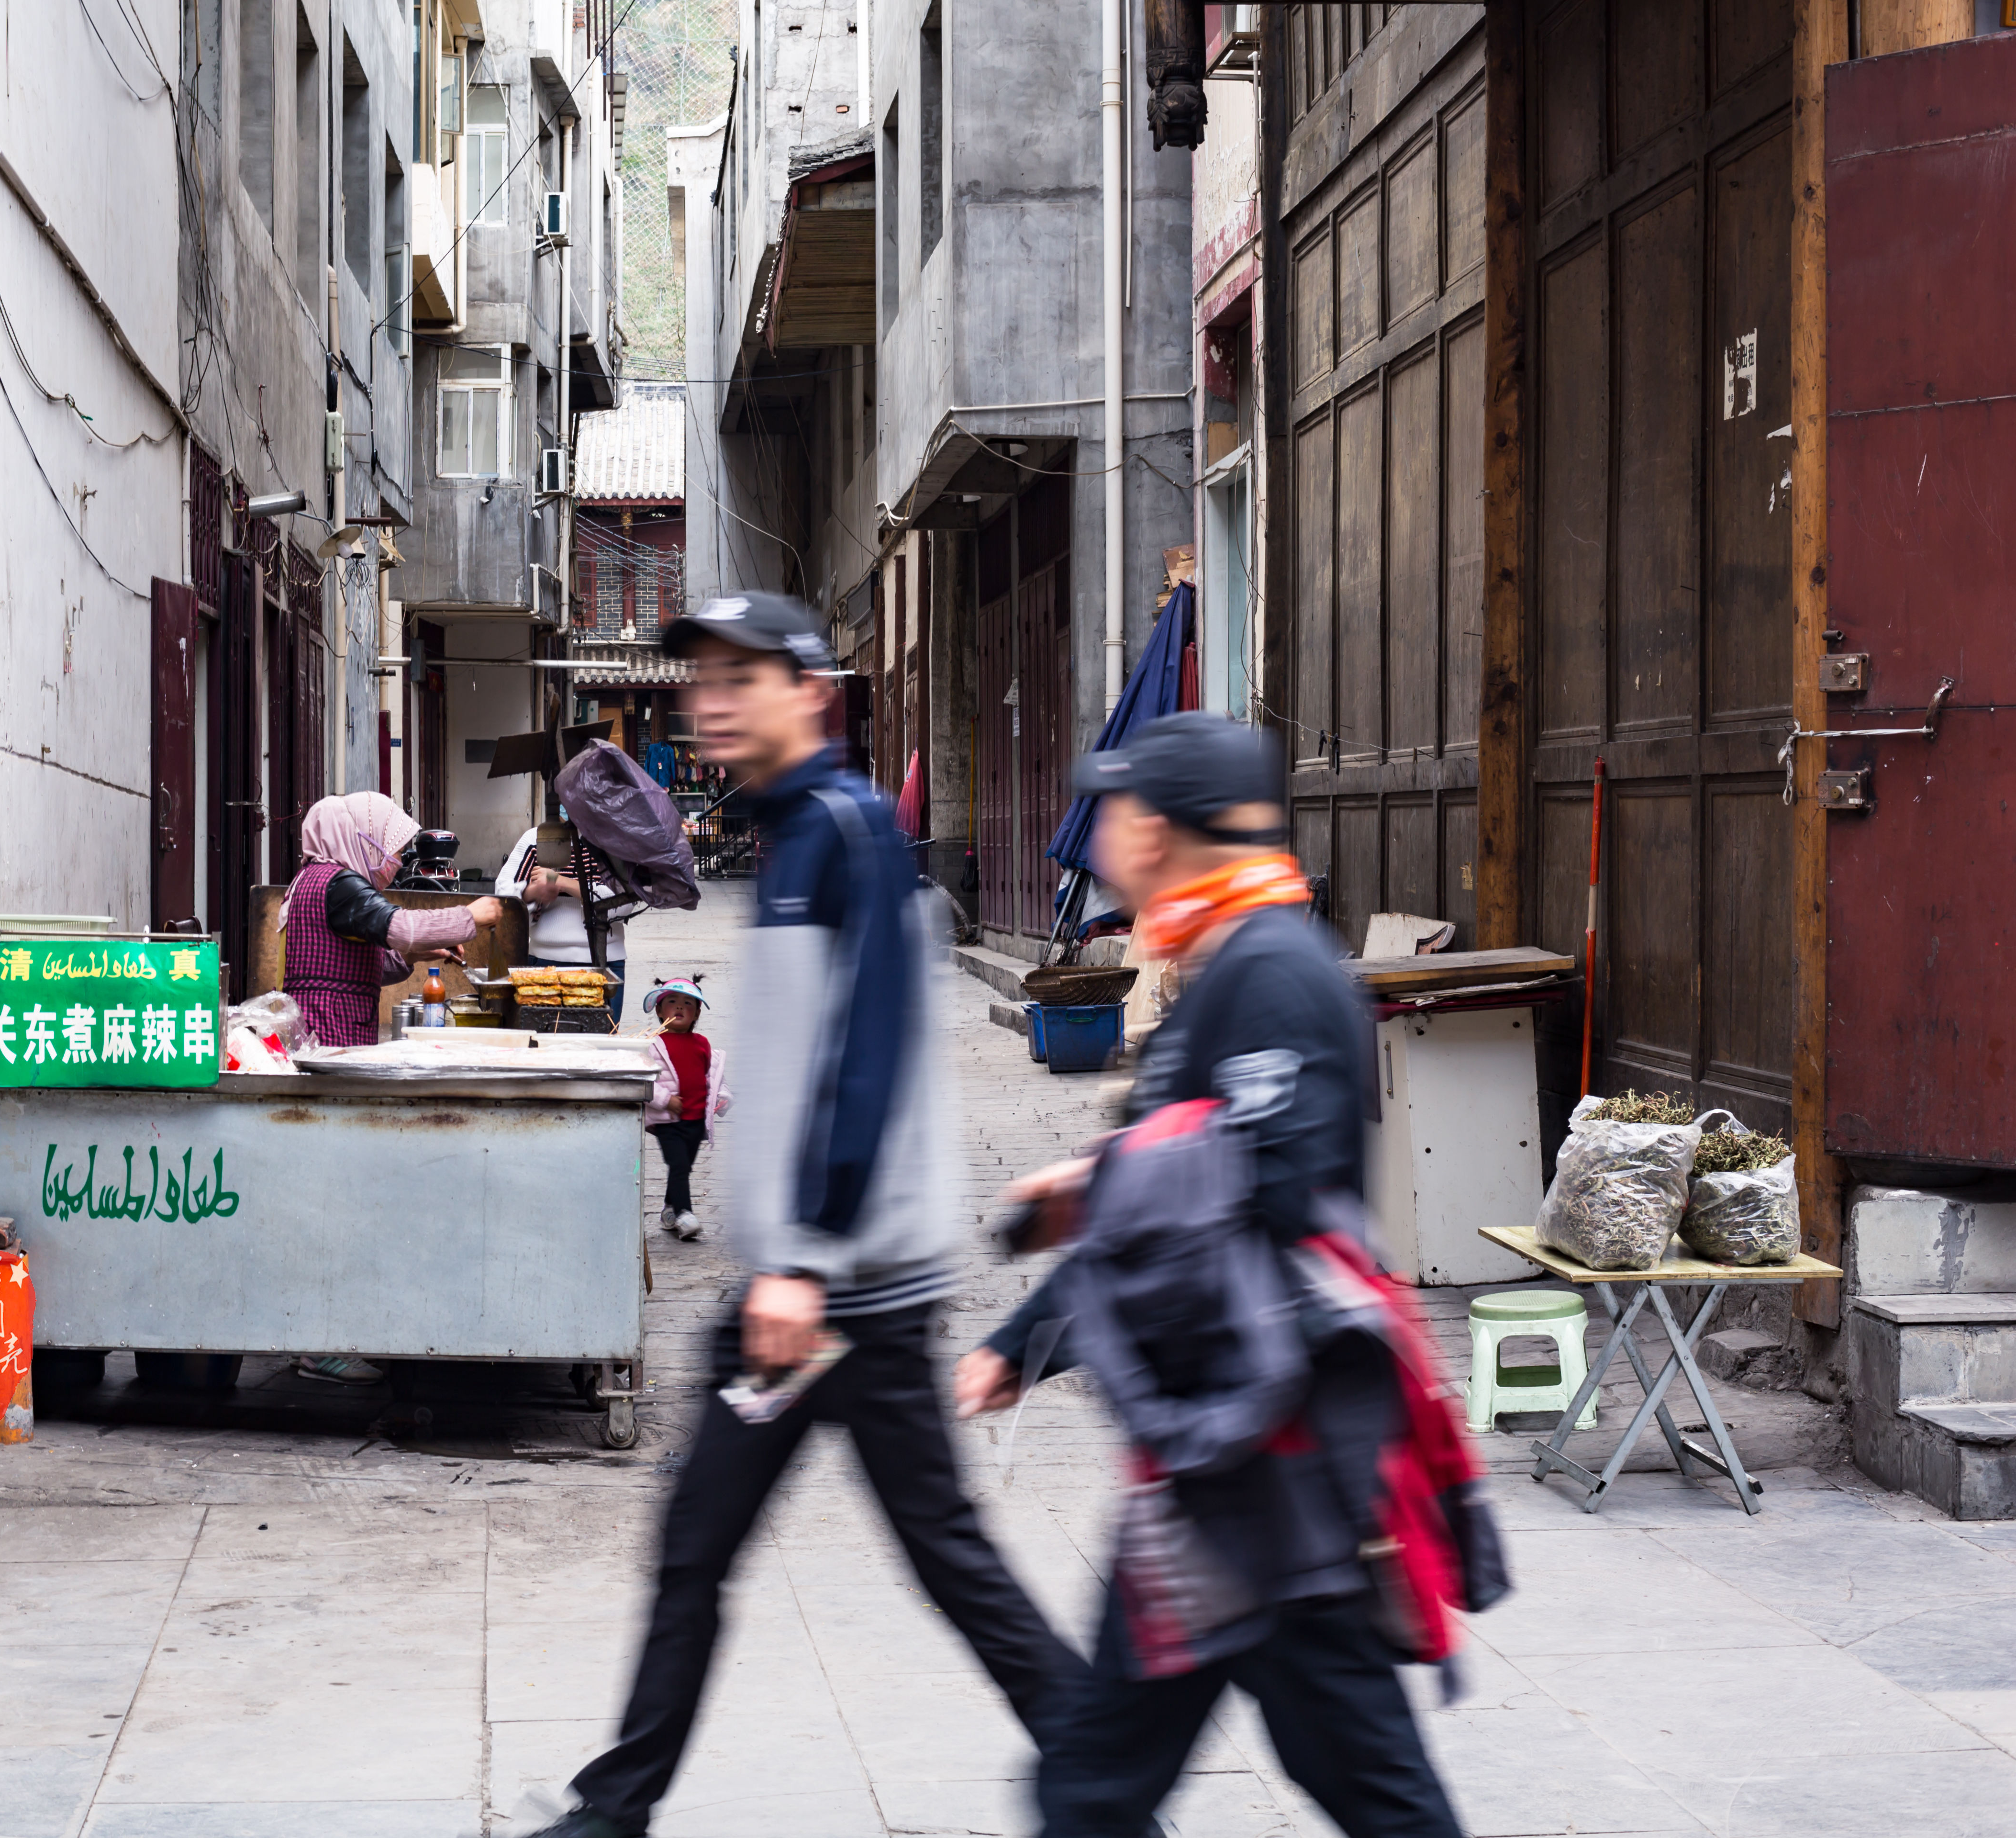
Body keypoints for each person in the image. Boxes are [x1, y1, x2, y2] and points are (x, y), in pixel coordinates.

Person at [526, 593, 1085, 1838]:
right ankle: (613, 1810)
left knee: (921, 1563)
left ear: (810, 692)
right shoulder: (797, 834)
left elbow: (873, 1052)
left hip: (835, 1302)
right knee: (730, 1556)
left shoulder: (846, 833)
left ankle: (1106, 1780)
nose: (712, 701)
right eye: (701, 680)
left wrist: (808, 1265)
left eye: (742, 677)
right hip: (815, 1294)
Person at [953, 711, 1470, 1838]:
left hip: (1262, 1448)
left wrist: (1100, 1181)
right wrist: (1024, 1338)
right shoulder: (1224, 958)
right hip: (1234, 1446)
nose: (1094, 838)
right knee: (1203, 1770)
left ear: (1165, 827)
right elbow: (1182, 1190)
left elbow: (1266, 1193)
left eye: (1115, 811)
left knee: (1109, 1779)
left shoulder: (1272, 973)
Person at [280, 791, 501, 1386]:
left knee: (334, 1191)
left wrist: (421, 952)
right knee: (334, 1194)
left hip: (324, 1038)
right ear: (360, 837)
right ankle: (318, 1343)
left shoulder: (313, 883)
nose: (393, 863)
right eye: (392, 850)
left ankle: (331, 1330)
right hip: (327, 1045)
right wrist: (471, 916)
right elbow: (397, 926)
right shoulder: (340, 883)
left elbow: (370, 960)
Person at [496, 818, 631, 1021]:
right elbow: (503, 897)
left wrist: (561, 882)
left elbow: (623, 904)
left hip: (606, 966)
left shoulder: (614, 841)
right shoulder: (537, 839)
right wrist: (534, 892)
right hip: (545, 964)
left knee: (601, 1048)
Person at [639, 977, 728, 1241]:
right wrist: (666, 1100)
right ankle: (684, 1213)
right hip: (669, 1121)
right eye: (672, 1003)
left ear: (697, 1013)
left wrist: (722, 1097)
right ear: (659, 1010)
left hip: (696, 1119)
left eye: (688, 1004)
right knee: (678, 1164)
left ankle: (669, 1208)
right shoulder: (653, 1045)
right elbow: (645, 1079)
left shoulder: (702, 1044)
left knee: (684, 1167)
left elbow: (714, 1078)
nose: (680, 1008)